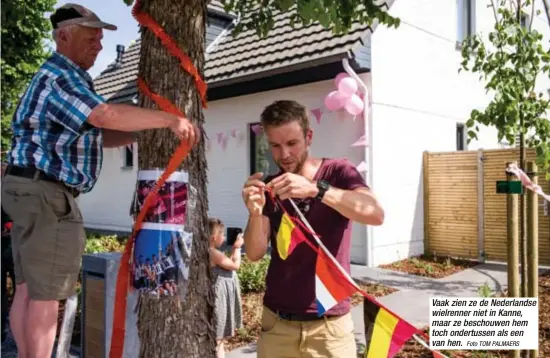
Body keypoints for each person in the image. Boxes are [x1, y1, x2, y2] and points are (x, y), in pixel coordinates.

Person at [1, 4, 199, 358]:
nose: (100, 45)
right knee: (48, 294)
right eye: (91, 37)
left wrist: (137, 133)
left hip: (24, 188)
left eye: (101, 38)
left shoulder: (54, 76)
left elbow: (94, 133)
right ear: (63, 36)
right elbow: (104, 115)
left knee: (29, 288)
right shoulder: (62, 77)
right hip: (48, 194)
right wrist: (168, 120)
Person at [241, 100, 385, 358]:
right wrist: (254, 213)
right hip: (277, 324)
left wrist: (317, 189)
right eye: (275, 145)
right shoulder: (272, 186)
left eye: (292, 143)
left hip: (330, 326)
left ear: (308, 137)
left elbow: (375, 213)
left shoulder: (338, 171)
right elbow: (254, 253)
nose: (284, 154)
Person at [208, 218, 243, 358]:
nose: (224, 237)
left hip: (220, 295)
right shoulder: (212, 252)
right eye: (222, 235)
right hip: (218, 298)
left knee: (220, 338)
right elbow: (235, 265)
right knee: (218, 338)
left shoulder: (212, 251)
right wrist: (238, 247)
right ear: (214, 237)